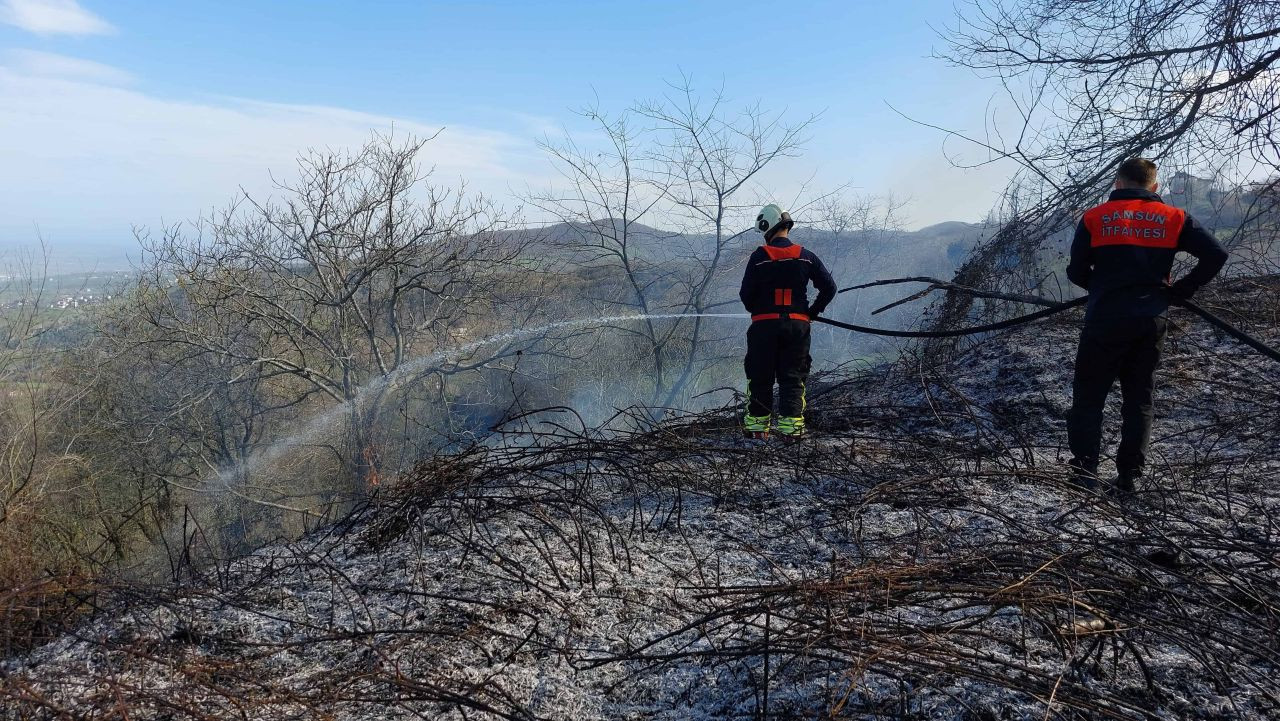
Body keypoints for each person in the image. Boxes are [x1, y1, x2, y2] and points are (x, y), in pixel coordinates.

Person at [1065, 158, 1228, 494]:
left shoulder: (1095, 217)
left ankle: (1085, 474)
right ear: (1154, 186)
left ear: (1118, 183)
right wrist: (1182, 289)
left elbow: (1076, 271)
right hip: (1151, 319)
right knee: (1139, 398)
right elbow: (1216, 254)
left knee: (1088, 398)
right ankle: (1129, 477)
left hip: (1105, 319)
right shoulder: (1174, 217)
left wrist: (1102, 287)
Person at [739, 204, 837, 439]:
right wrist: (811, 313)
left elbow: (745, 295)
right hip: (797, 328)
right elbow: (829, 288)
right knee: (793, 378)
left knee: (760, 377)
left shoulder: (759, 257)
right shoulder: (806, 256)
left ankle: (757, 431)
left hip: (763, 328)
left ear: (768, 228)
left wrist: (760, 312)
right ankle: (791, 432)